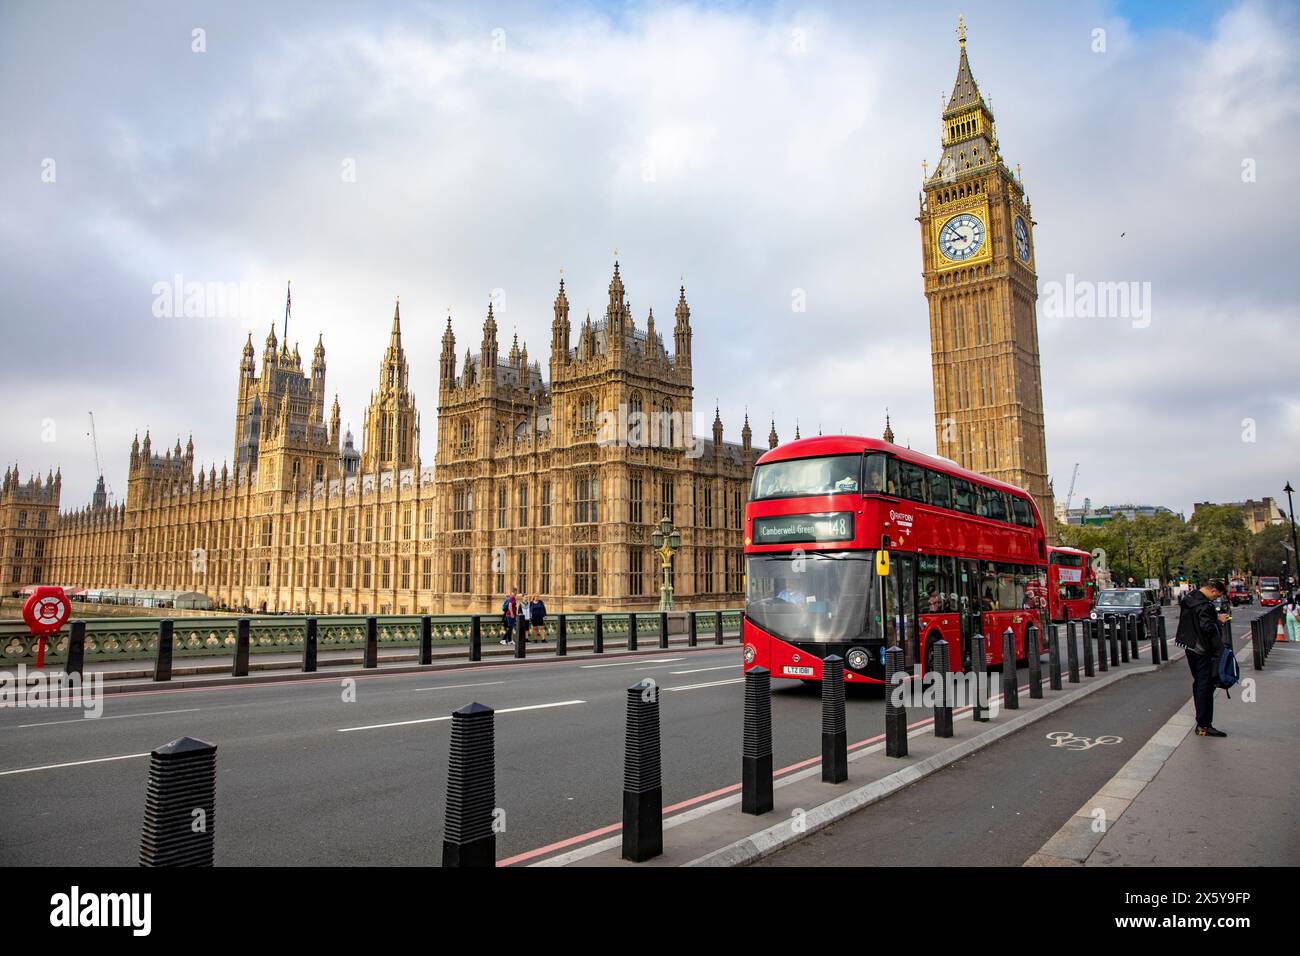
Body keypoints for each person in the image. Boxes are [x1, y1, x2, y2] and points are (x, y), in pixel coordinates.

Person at [1174, 578, 1231, 737]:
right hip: (1202, 650)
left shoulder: (1190, 599)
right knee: (1205, 686)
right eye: (1217, 595)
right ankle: (1204, 725)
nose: (1216, 599)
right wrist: (1218, 622)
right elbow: (1207, 628)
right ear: (1213, 590)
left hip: (1189, 646)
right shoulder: (1205, 606)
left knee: (1199, 683)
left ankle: (1202, 723)